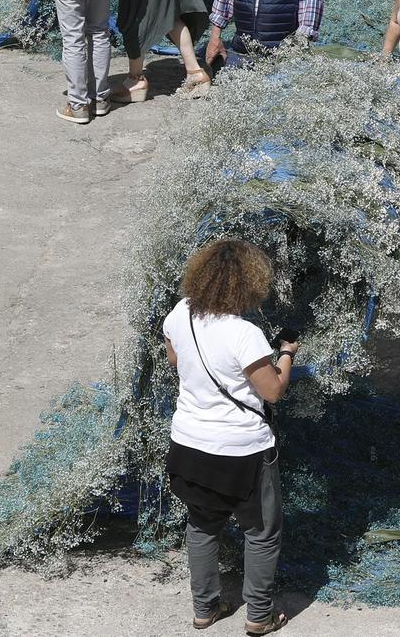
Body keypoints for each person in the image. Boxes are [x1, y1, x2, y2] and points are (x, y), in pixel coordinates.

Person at [161, 238, 295, 635]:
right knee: (261, 532)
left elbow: (174, 358)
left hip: (187, 445)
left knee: (201, 527)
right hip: (242, 453)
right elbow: (272, 391)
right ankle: (259, 617)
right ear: (249, 285)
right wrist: (286, 353)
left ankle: (205, 609)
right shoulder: (245, 334)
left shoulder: (180, 313)